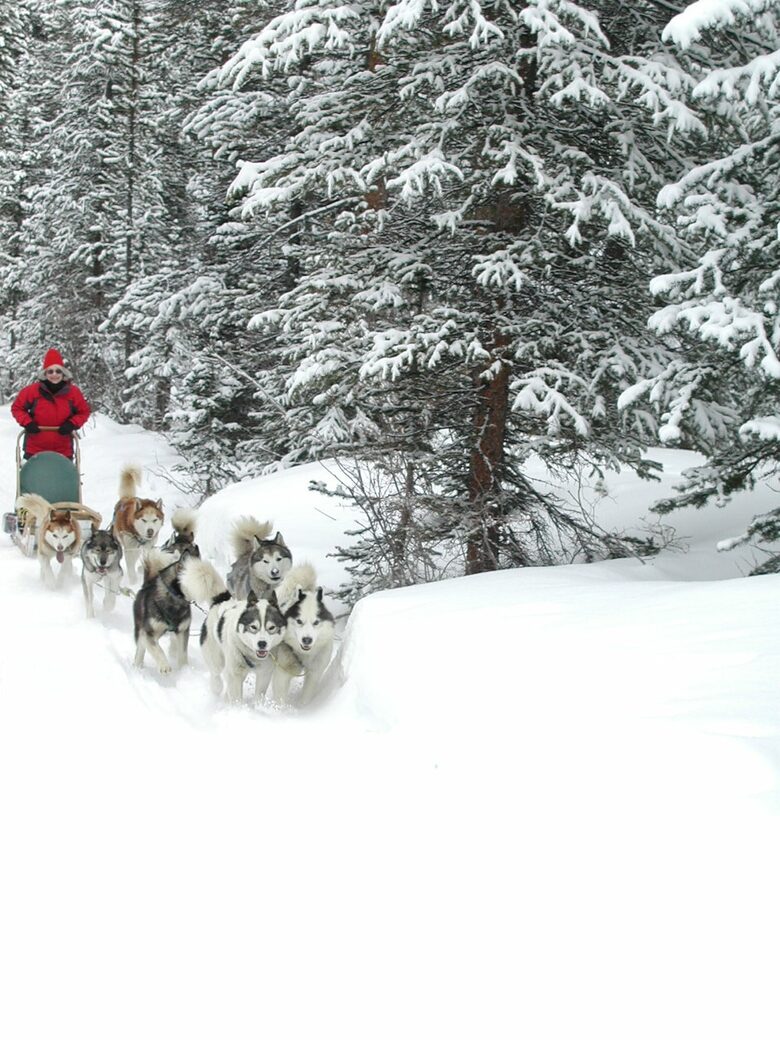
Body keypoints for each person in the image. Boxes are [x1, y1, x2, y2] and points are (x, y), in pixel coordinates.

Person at [11, 349, 91, 459]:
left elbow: (84, 412)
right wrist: (27, 422)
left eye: (58, 371)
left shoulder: (73, 393)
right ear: (45, 373)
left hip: (63, 449)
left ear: (63, 373)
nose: (54, 374)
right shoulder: (32, 391)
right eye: (50, 371)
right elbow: (17, 408)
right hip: (34, 448)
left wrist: (72, 424)